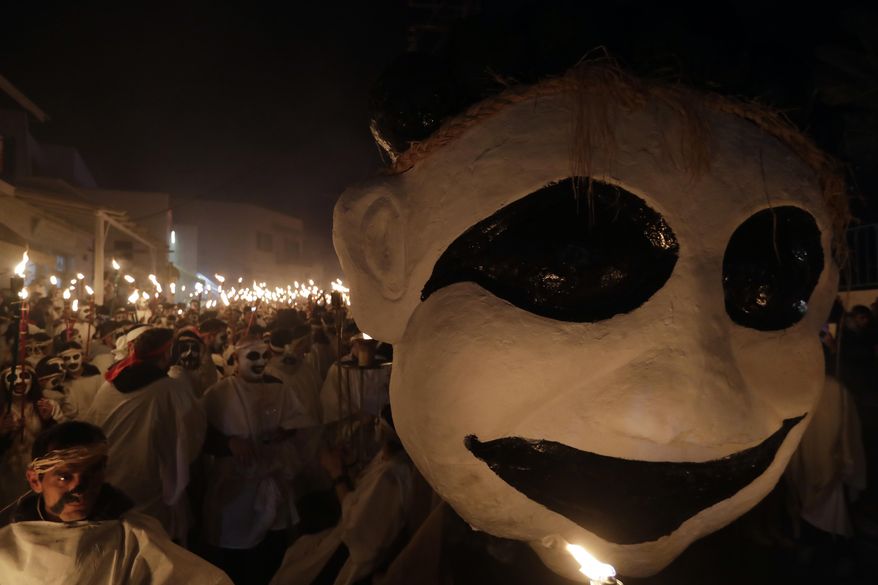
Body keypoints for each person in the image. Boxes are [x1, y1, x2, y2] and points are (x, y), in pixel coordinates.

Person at [0, 421, 232, 584]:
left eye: (92, 473)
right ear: (35, 480)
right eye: (64, 476)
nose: (79, 489)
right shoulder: (7, 545)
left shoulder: (135, 537)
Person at [202, 335, 315, 585]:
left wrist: (285, 430)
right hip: (235, 491)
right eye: (253, 356)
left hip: (272, 483)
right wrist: (229, 443)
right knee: (239, 558)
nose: (261, 361)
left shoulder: (279, 387)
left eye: (265, 355)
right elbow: (199, 437)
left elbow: (298, 420)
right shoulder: (218, 393)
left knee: (273, 553)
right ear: (236, 360)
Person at [269, 406, 415, 585]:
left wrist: (337, 473)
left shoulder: (392, 476)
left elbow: (356, 529)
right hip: (340, 540)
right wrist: (349, 467)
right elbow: (363, 494)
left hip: (349, 557)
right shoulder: (388, 459)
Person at [86, 327, 206, 543]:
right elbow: (188, 438)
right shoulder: (168, 390)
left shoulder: (109, 384)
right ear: (167, 353)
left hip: (107, 480)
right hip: (147, 487)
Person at [0, 363, 59, 507]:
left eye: (24, 376)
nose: (19, 381)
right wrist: (3, 432)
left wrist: (48, 420)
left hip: (39, 468)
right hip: (9, 471)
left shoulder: (46, 405)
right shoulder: (2, 411)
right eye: (13, 377)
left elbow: (58, 440)